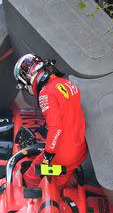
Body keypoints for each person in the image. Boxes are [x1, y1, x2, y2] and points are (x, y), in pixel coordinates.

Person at [13, 53, 88, 188]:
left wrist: (47, 156)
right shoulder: (65, 83)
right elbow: (67, 114)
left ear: (28, 78)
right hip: (81, 149)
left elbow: (56, 128)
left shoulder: (46, 93)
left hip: (63, 153)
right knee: (58, 184)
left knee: (29, 179)